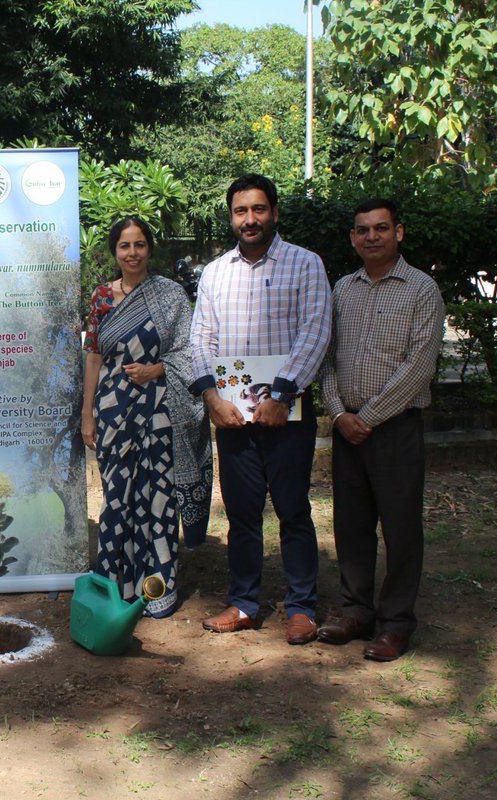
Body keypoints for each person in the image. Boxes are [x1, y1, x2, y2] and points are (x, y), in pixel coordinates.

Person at [189, 173, 332, 644]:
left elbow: (315, 331)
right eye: (240, 211)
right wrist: (211, 398)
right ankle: (245, 602)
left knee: (293, 511)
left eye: (258, 209)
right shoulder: (214, 272)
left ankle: (302, 607)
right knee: (242, 514)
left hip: (286, 415)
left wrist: (284, 395)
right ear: (231, 216)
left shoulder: (305, 264)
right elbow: (199, 340)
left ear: (274, 212)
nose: (249, 219)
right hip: (232, 417)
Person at [317, 199, 444, 661]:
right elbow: (325, 356)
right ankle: (356, 611)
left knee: (401, 527)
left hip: (394, 429)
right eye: (363, 230)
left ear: (399, 233)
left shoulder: (421, 289)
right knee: (352, 526)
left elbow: (419, 366)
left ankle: (396, 622)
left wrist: (366, 417)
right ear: (353, 237)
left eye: (381, 228)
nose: (372, 237)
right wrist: (337, 411)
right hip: (346, 425)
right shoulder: (341, 290)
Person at [80, 217, 212, 617]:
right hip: (113, 409)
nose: (132, 253)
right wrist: (87, 413)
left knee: (157, 493)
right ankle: (114, 585)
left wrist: (157, 370)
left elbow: (188, 351)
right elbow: (93, 356)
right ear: (114, 251)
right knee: (117, 496)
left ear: (149, 249)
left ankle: (157, 587)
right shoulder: (101, 298)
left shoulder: (170, 295)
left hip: (158, 408)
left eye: (139, 245)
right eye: (124, 246)